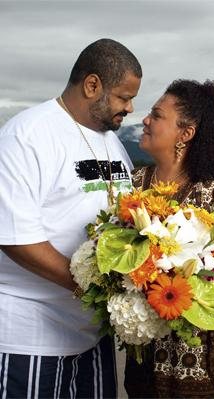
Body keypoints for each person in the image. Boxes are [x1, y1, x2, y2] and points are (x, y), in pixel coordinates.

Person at [0, 38, 141, 398]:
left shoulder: (113, 143)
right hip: (31, 336)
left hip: (94, 336)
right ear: (92, 85)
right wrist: (95, 290)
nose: (130, 107)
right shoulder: (27, 136)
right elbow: (16, 238)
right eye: (124, 97)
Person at [123, 79, 214, 398]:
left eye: (157, 115)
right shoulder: (135, 184)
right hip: (144, 350)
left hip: (200, 354)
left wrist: (181, 284)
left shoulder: (212, 195)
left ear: (186, 133)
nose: (145, 120)